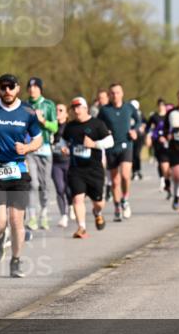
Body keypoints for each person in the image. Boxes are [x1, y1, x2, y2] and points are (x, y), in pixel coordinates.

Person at [0, 74, 43, 279]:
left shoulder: (28, 113)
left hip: (19, 170)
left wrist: (27, 147)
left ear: (18, 88)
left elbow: (38, 139)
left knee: (16, 220)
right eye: (3, 87)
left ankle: (16, 260)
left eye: (11, 87)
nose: (7, 91)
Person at [63, 97, 114, 238]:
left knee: (99, 202)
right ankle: (82, 228)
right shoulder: (70, 126)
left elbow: (110, 141)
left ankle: (97, 212)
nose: (76, 110)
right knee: (78, 199)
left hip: (94, 169)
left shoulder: (97, 124)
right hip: (76, 169)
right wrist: (64, 148)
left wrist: (94, 144)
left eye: (79, 107)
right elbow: (63, 141)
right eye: (74, 108)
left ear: (85, 108)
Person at [97, 83, 141, 221]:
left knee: (126, 175)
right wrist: (104, 132)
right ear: (109, 95)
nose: (115, 95)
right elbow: (98, 125)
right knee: (115, 181)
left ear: (122, 93)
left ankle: (125, 200)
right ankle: (117, 206)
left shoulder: (129, 107)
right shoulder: (105, 110)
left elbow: (139, 121)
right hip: (111, 147)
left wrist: (135, 130)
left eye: (117, 92)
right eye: (112, 93)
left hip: (126, 144)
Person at [25, 77, 58, 231]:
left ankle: (44, 213)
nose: (32, 90)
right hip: (30, 149)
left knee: (44, 185)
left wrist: (43, 121)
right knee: (32, 184)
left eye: (35, 87)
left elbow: (55, 128)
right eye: (30, 87)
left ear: (40, 89)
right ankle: (32, 217)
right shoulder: (24, 106)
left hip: (45, 149)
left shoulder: (48, 105)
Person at [145, 99, 172, 198]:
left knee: (170, 170)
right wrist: (149, 137)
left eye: (163, 105)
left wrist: (169, 136)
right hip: (158, 144)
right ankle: (164, 182)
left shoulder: (170, 116)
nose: (161, 107)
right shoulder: (154, 117)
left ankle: (168, 183)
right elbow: (148, 129)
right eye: (159, 105)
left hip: (171, 145)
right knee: (163, 166)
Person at [51, 103, 71, 228]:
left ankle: (72, 205)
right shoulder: (49, 127)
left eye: (60, 110)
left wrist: (68, 148)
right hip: (55, 161)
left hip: (68, 161)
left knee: (69, 189)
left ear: (66, 114)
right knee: (59, 189)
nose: (57, 112)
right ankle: (63, 215)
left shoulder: (70, 127)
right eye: (56, 110)